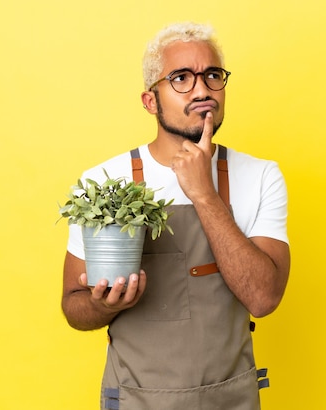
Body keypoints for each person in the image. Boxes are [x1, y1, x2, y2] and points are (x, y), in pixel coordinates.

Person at [61, 21, 290, 410]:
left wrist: (203, 193)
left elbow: (264, 298)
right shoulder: (103, 182)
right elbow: (73, 306)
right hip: (136, 400)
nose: (202, 90)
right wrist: (104, 305)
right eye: (181, 78)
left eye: (212, 75)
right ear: (150, 101)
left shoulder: (261, 175)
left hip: (231, 399)